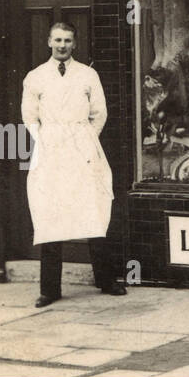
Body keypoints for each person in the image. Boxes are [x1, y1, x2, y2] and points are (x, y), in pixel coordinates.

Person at [20, 21, 124, 307]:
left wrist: (85, 138)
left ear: (74, 44)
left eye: (67, 40)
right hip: (51, 148)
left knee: (93, 208)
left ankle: (105, 280)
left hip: (82, 148)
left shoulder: (88, 75)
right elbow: (29, 116)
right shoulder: (35, 77)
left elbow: (99, 113)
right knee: (51, 215)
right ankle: (49, 290)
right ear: (49, 42)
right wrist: (45, 139)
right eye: (57, 40)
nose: (62, 45)